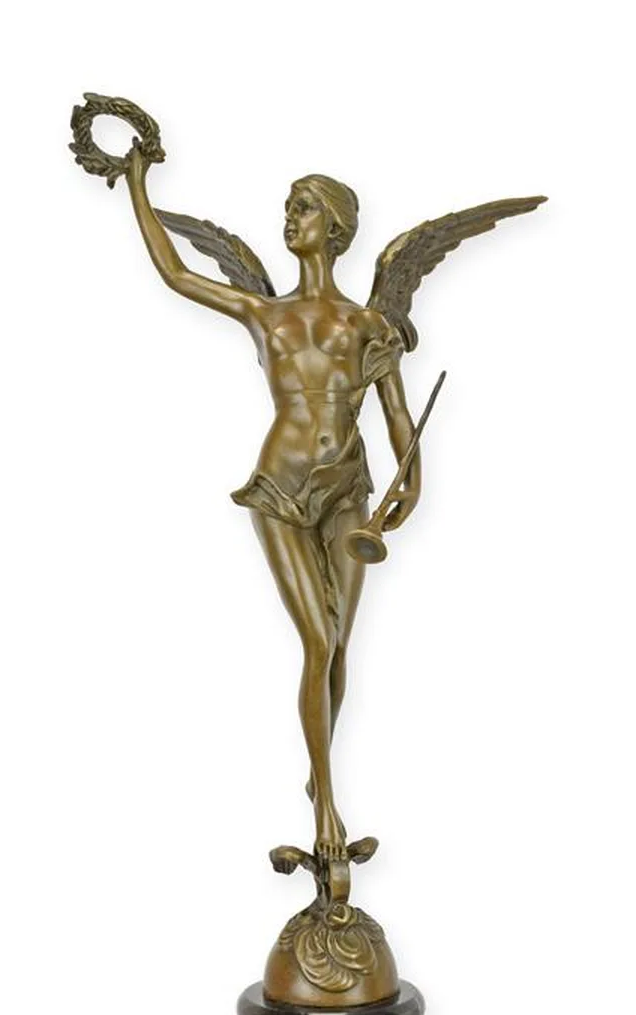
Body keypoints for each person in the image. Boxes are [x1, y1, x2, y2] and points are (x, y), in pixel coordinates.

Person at [124, 152, 421, 863]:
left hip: (347, 487)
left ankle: (321, 776)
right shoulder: (267, 313)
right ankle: (327, 813)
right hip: (280, 488)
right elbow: (176, 274)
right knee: (318, 641)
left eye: (304, 207)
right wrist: (137, 185)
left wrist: (413, 479)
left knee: (339, 642)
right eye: (289, 207)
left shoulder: (368, 324)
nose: (291, 218)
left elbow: (398, 415)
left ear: (336, 228)